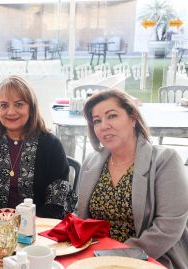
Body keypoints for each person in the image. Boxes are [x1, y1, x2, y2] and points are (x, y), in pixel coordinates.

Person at [77, 89, 188, 269]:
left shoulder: (165, 160)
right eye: (97, 121)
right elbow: (81, 216)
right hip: (95, 257)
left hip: (149, 259)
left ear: (133, 118)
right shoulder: (91, 162)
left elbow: (168, 228)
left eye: (112, 116)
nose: (103, 126)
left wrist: (114, 258)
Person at [0, 76, 75, 219]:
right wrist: (0, 224)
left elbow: (57, 197)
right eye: (4, 105)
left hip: (41, 228)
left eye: (19, 104)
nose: (11, 112)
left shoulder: (51, 144)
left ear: (31, 108)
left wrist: (34, 226)